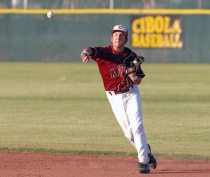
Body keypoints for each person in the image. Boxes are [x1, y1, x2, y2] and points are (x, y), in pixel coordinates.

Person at [80, 24, 157, 173]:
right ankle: (147, 153)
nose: (118, 37)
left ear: (126, 39)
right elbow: (91, 49)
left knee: (137, 126)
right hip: (114, 97)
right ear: (112, 38)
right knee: (129, 134)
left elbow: (138, 80)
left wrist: (133, 75)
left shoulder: (131, 56)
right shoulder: (105, 53)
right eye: (116, 35)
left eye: (121, 35)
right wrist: (85, 52)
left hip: (131, 92)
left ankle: (143, 163)